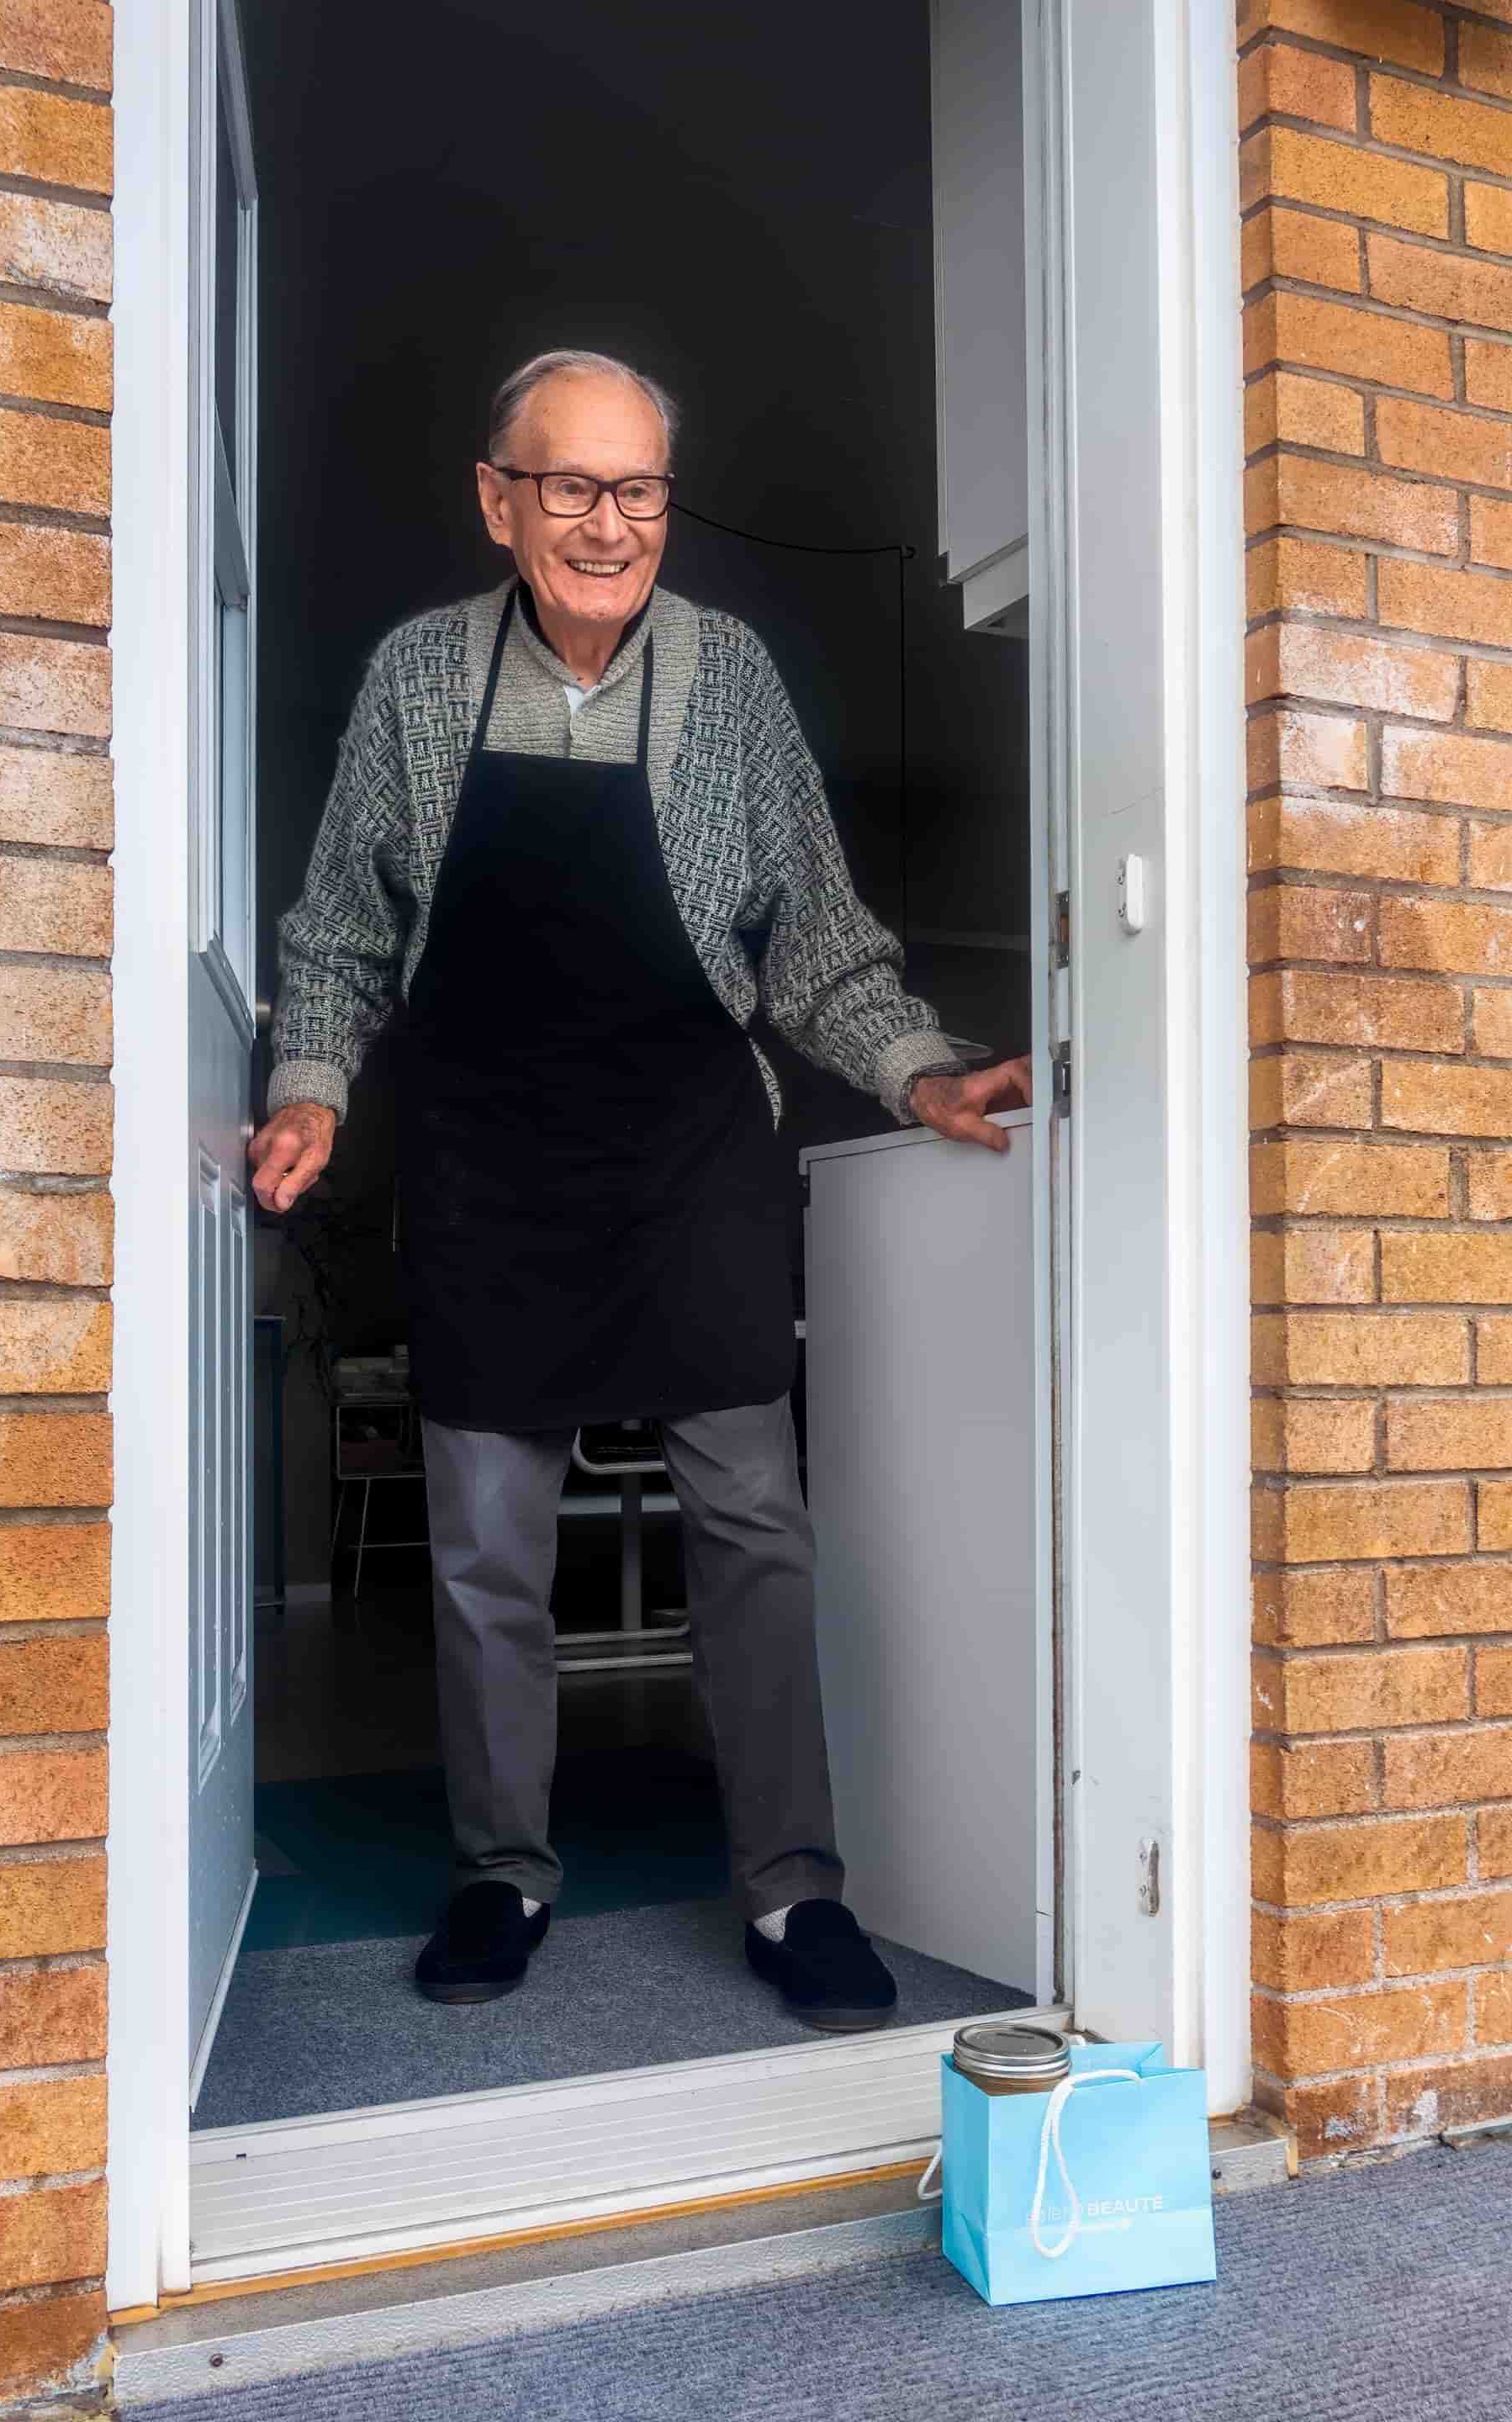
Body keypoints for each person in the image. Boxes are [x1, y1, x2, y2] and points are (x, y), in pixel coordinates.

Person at [251, 348, 1032, 2032]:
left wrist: (919, 1067)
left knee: (753, 1529)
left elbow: (813, 938)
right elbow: (337, 934)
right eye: (572, 486)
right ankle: (502, 1870)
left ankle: (790, 1890)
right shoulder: (416, 680)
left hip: (686, 1162)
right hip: (490, 1170)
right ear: (499, 497)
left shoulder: (731, 677)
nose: (609, 526)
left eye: (641, 490)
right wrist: (310, 1087)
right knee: (483, 1555)